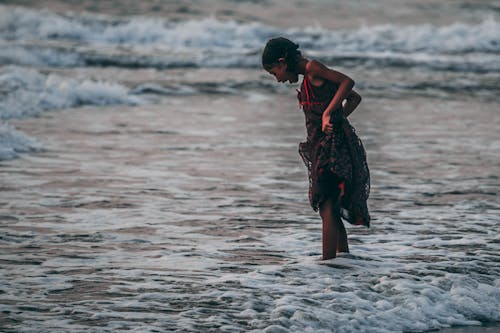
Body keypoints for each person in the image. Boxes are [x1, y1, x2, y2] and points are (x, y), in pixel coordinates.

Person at [262, 37, 370, 260]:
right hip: (322, 146)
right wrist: (333, 120)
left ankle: (328, 265)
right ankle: (343, 261)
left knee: (327, 206)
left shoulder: (313, 69)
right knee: (329, 206)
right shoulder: (308, 80)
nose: (278, 80)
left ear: (282, 62)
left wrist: (328, 114)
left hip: (332, 149)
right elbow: (354, 100)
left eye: (275, 73)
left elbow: (348, 83)